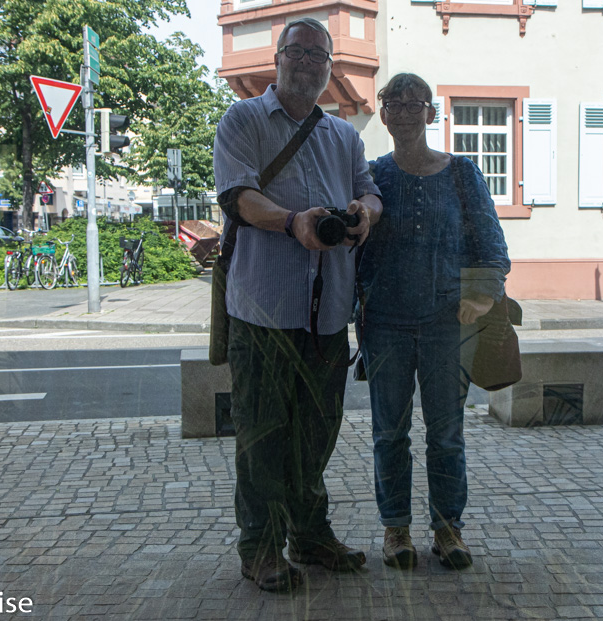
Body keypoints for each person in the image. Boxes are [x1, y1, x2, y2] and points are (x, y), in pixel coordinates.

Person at [212, 18, 383, 592]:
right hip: (263, 309)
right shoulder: (243, 120)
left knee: (317, 432)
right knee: (261, 435)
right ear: (278, 58)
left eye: (319, 54)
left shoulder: (343, 136)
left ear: (330, 68)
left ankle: (309, 536)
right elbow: (238, 197)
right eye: (298, 51)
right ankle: (258, 549)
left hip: (328, 313)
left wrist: (362, 214)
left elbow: (371, 192)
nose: (308, 61)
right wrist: (294, 223)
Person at [358, 73, 510, 570]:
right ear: (383, 114)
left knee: (446, 434)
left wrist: (483, 296)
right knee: (389, 433)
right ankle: (395, 529)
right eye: (393, 104)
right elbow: (356, 253)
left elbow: (490, 242)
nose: (403, 112)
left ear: (430, 111)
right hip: (385, 323)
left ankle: (449, 530)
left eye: (413, 104)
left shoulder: (461, 173)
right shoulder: (371, 176)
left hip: (449, 321)